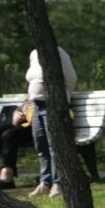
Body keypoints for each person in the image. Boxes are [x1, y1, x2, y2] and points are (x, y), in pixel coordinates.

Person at [26, 45, 76, 198]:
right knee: (41, 144)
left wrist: (61, 97)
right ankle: (44, 182)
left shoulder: (59, 53)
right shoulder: (34, 53)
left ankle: (58, 183)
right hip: (36, 105)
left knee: (54, 145)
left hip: (52, 105)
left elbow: (71, 78)